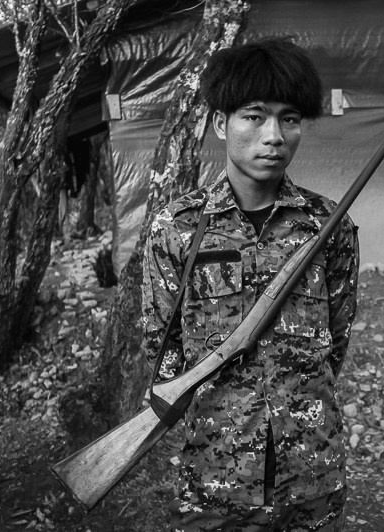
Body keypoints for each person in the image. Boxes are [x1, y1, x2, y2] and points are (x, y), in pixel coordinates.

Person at [141, 38, 360, 531]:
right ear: (221, 123)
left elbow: (337, 339)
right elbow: (162, 348)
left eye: (289, 118)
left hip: (311, 473)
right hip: (215, 478)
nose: (274, 135)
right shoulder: (176, 229)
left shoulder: (329, 226)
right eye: (254, 116)